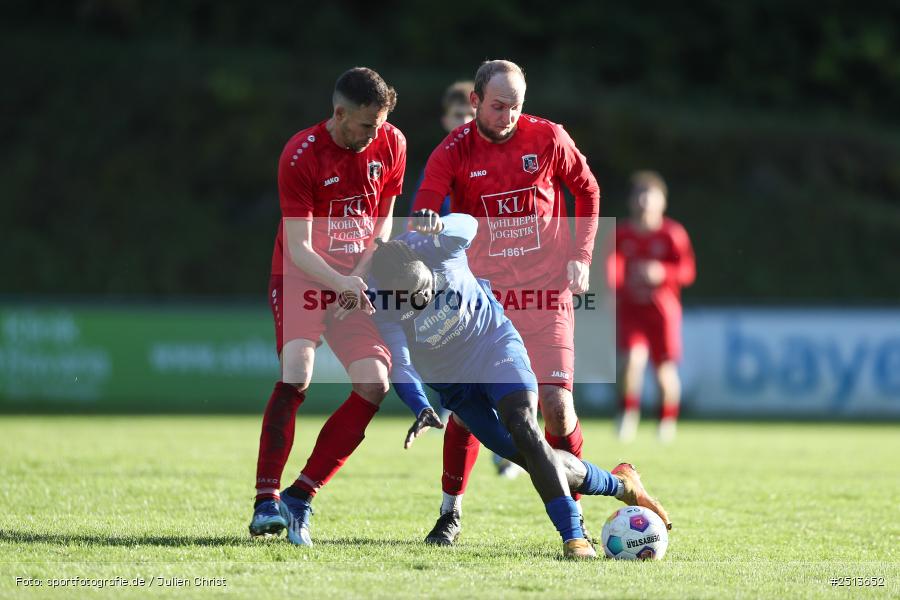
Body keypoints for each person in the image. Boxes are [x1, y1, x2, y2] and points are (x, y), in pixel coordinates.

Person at [371, 209, 671, 560]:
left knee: (525, 429)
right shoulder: (381, 302)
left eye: (426, 290)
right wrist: (420, 405)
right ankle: (621, 484)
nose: (423, 302)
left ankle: (573, 537)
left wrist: (441, 224)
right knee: (532, 457)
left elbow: (469, 224)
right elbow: (402, 363)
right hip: (457, 387)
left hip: (493, 345)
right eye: (412, 302)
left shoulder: (437, 247)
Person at [410, 60, 601, 544]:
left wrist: (581, 255)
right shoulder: (452, 151)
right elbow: (425, 205)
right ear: (474, 102)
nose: (509, 115)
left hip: (545, 294)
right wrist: (428, 221)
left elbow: (588, 189)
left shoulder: (549, 138)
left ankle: (571, 508)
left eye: (516, 106)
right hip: (485, 306)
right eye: (498, 106)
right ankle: (450, 512)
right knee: (465, 413)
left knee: (557, 408)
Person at [248, 67, 407, 546]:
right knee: (297, 372)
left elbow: (382, 229)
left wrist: (356, 278)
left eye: (379, 124)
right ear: (339, 114)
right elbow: (298, 249)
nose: (373, 135)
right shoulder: (300, 155)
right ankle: (265, 501)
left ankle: (301, 495)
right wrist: (341, 283)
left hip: (353, 277)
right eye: (364, 125)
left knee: (375, 382)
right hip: (304, 276)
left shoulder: (391, 142)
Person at [609, 171, 695, 443]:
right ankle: (627, 414)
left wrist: (663, 273)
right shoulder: (621, 233)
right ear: (632, 201)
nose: (645, 202)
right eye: (640, 196)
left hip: (662, 312)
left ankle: (665, 421)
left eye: (651, 196)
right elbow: (610, 268)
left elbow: (687, 271)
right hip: (631, 310)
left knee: (663, 372)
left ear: (662, 202)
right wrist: (617, 284)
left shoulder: (672, 233)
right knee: (630, 362)